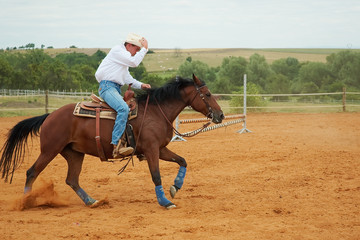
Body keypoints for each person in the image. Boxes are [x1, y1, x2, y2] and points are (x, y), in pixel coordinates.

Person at [95, 33, 151, 159]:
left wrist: (142, 85)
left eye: (138, 50)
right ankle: (116, 145)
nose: (136, 52)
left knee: (132, 111)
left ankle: (135, 145)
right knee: (123, 109)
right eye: (136, 49)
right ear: (129, 45)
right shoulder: (118, 51)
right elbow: (134, 62)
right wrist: (145, 49)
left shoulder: (122, 59)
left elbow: (127, 78)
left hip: (113, 88)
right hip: (107, 87)